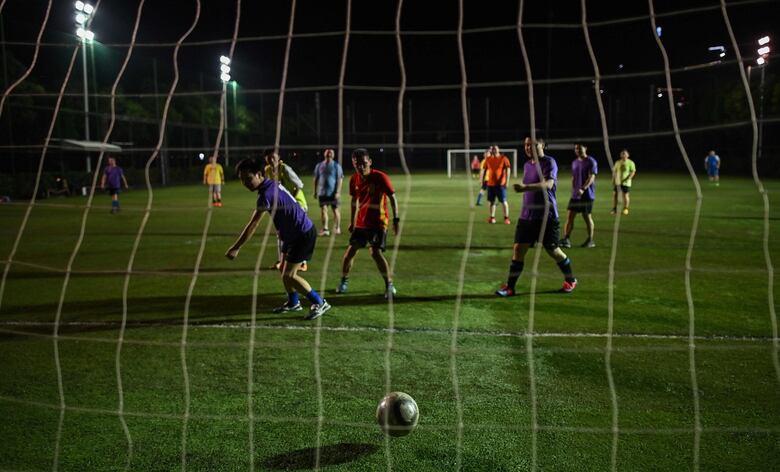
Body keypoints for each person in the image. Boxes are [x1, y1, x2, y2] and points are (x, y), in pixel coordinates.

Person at [225, 157, 330, 320]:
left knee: (289, 275)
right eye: (242, 180)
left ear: (259, 174)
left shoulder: (265, 194)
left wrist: (236, 247)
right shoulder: (271, 184)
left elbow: (253, 224)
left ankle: (319, 302)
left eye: (248, 178)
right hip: (291, 235)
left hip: (302, 233)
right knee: (283, 269)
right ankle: (293, 302)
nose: (246, 183)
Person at [496, 136, 577, 297]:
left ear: (542, 145)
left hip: (547, 216)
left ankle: (571, 279)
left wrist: (525, 187)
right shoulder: (527, 165)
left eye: (532, 144)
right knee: (518, 250)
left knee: (553, 250)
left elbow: (548, 184)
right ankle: (510, 287)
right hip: (527, 216)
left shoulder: (549, 162)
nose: (528, 147)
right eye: (526, 144)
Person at [336, 148, 399, 298]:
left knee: (375, 252)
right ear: (353, 164)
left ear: (370, 162)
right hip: (361, 224)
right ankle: (344, 281)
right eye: (357, 164)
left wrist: (396, 219)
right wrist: (352, 222)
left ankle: (389, 286)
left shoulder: (380, 177)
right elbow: (353, 201)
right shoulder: (354, 179)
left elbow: (392, 198)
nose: (361, 167)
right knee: (348, 254)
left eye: (364, 163)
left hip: (378, 223)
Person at [264, 150, 308, 271]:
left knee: (298, 233)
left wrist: (291, 198)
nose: (271, 160)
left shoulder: (285, 169)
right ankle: (280, 261)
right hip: (282, 207)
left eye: (273, 157)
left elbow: (300, 184)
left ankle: (303, 262)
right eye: (268, 158)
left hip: (298, 204)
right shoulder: (267, 170)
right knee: (280, 234)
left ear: (279, 157)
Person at [559, 143, 598, 248]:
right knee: (570, 216)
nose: (577, 150)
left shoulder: (591, 161)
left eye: (580, 148)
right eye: (576, 149)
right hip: (575, 195)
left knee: (587, 217)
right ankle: (566, 239)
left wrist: (583, 188)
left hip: (587, 195)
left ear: (585, 148)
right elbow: (574, 177)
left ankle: (590, 240)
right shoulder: (575, 162)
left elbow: (591, 177)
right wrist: (573, 189)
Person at [313, 148, 344, 236]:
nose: (329, 154)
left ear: (333, 155)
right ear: (325, 154)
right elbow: (316, 179)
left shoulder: (336, 166)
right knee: (323, 210)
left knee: (335, 210)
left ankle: (337, 228)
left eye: (331, 153)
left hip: (333, 193)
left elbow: (340, 179)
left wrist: (338, 192)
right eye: (327, 153)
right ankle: (325, 229)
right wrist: (315, 191)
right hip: (322, 192)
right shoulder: (319, 165)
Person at [483, 145, 512, 224]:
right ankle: (492, 218)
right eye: (492, 149)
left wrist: (507, 182)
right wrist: (483, 181)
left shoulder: (503, 158)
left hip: (501, 185)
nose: (494, 150)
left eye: (495, 148)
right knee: (491, 202)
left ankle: (506, 218)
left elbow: (508, 169)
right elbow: (485, 170)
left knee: (503, 201)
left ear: (498, 149)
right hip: (490, 184)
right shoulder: (488, 159)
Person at [611, 149, 636, 216]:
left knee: (625, 195)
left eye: (625, 153)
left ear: (628, 155)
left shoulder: (631, 163)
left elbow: (633, 171)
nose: (623, 155)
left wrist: (628, 178)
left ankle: (626, 209)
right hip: (618, 182)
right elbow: (615, 172)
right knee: (615, 195)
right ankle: (614, 209)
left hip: (626, 183)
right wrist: (613, 180)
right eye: (622, 153)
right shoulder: (618, 162)